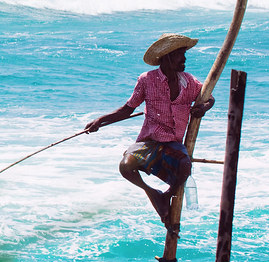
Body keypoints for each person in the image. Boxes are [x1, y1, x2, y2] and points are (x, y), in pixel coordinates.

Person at [84, 34, 215, 227]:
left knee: (185, 167)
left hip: (172, 143)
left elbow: (209, 97)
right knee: (126, 165)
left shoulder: (188, 82)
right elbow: (127, 109)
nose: (185, 59)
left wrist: (203, 108)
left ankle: (166, 196)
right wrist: (100, 121)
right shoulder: (147, 80)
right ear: (168, 57)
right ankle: (152, 193)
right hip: (149, 141)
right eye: (180, 54)